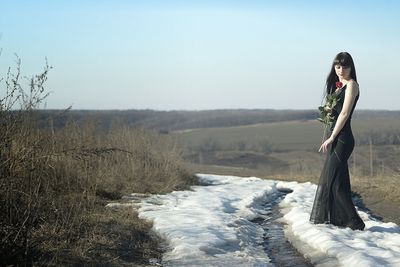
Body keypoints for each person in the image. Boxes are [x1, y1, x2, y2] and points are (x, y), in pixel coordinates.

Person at [310, 52, 365, 230]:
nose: (341, 70)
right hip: (335, 137)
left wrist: (332, 136)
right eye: (338, 66)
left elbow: (344, 113)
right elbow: (334, 111)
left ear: (351, 67)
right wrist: (327, 110)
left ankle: (355, 222)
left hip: (343, 138)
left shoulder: (352, 85)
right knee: (337, 180)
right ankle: (341, 220)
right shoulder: (338, 87)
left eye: (345, 66)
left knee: (332, 179)